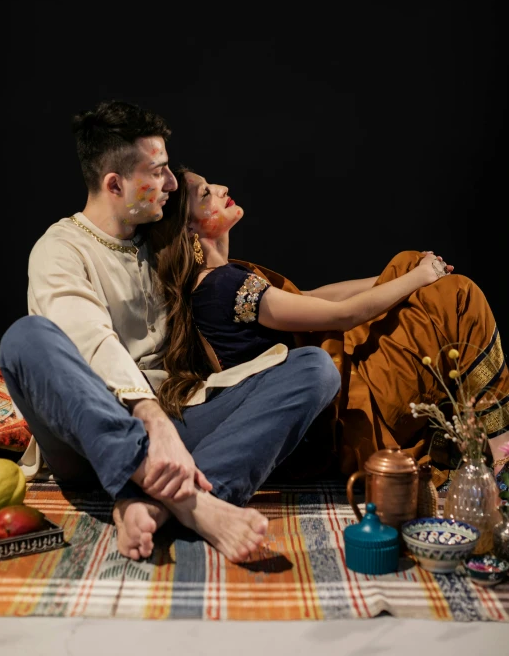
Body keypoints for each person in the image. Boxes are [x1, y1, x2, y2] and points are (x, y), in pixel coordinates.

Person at [0, 100, 342, 563]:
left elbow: (237, 284)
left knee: (314, 369)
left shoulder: (162, 240)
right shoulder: (60, 249)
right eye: (158, 171)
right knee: (24, 340)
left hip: (177, 422)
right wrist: (149, 418)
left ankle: (152, 505)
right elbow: (91, 342)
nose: (173, 183)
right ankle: (194, 505)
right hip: (89, 436)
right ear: (114, 184)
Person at [151, 167, 509, 487]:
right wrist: (418, 278)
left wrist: (397, 277)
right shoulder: (224, 286)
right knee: (456, 295)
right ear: (191, 227)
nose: (221, 187)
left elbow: (313, 296)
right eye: (206, 193)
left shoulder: (216, 283)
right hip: (337, 416)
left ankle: (490, 447)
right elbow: (342, 316)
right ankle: (500, 454)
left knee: (411, 271)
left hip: (332, 397)